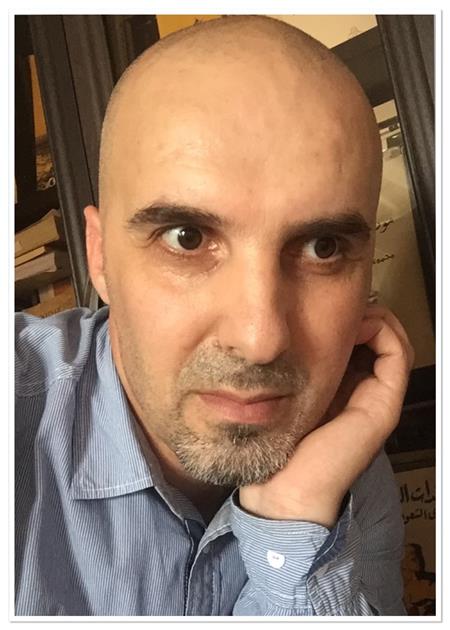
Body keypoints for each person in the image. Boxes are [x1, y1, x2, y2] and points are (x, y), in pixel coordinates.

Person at [15, 15, 414, 616]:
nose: (260, 339)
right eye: (187, 237)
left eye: (323, 248)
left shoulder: (344, 452)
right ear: (100, 256)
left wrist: (294, 515)